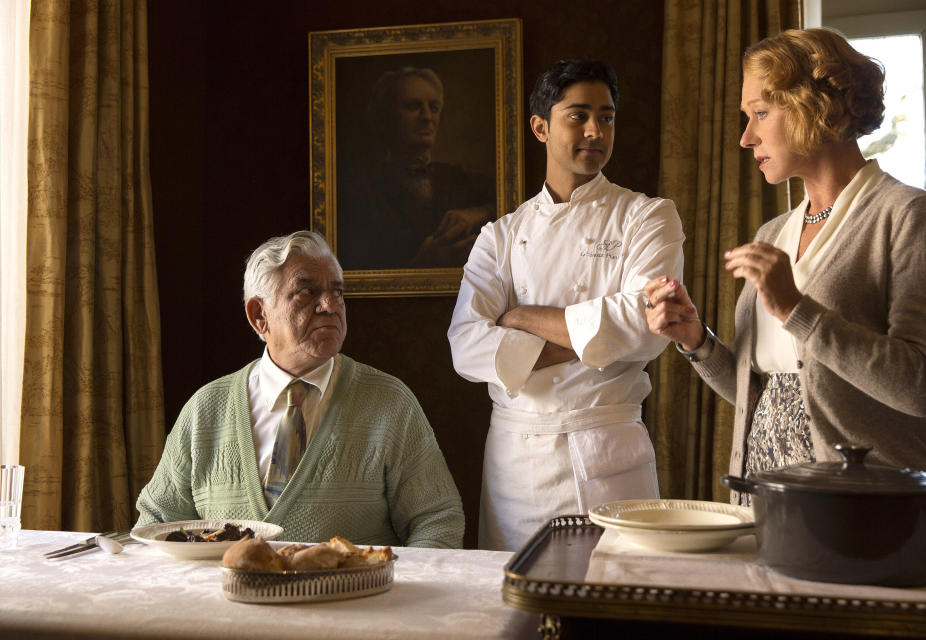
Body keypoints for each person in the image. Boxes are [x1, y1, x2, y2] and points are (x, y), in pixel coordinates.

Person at [643, 28, 926, 503]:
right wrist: (696, 340)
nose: (746, 138)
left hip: (863, 510)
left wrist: (795, 309)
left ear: (814, 106)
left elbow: (921, 386)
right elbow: (773, 393)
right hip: (765, 504)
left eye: (761, 113)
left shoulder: (907, 213)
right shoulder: (773, 234)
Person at [448, 59, 685, 551]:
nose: (596, 130)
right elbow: (466, 346)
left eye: (607, 115)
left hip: (609, 453)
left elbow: (645, 327)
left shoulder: (647, 216)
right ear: (541, 127)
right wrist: (595, 337)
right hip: (517, 462)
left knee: (615, 608)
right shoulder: (501, 236)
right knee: (514, 613)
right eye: (578, 115)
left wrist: (519, 318)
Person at [136, 231, 465, 546]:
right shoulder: (205, 409)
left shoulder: (389, 403)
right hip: (225, 602)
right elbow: (157, 522)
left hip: (355, 602)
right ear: (259, 316)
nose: (330, 305)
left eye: (337, 292)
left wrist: (394, 594)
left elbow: (437, 520)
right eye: (307, 292)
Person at [338, 66, 495, 270]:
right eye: (413, 106)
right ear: (385, 117)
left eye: (434, 107)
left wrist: (479, 213)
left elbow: (519, 202)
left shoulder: (457, 177)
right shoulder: (358, 190)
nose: (427, 117)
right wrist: (421, 264)